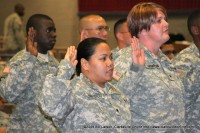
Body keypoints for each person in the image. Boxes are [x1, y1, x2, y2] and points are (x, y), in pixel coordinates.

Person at [109, 2, 185, 132]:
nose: (166, 24)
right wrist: (136, 69)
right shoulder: (126, 59)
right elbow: (114, 99)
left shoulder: (165, 60)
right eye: (159, 21)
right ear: (142, 29)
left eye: (165, 20)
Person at [39, 37, 131, 132]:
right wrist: (65, 70)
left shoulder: (117, 94)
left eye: (110, 57)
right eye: (103, 58)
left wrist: (137, 68)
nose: (110, 63)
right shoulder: (73, 91)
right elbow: (50, 108)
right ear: (85, 64)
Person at [0, 14, 59, 132]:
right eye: (48, 30)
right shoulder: (19, 60)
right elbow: (8, 95)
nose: (54, 34)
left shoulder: (54, 63)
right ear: (33, 32)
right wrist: (30, 59)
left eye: (54, 30)